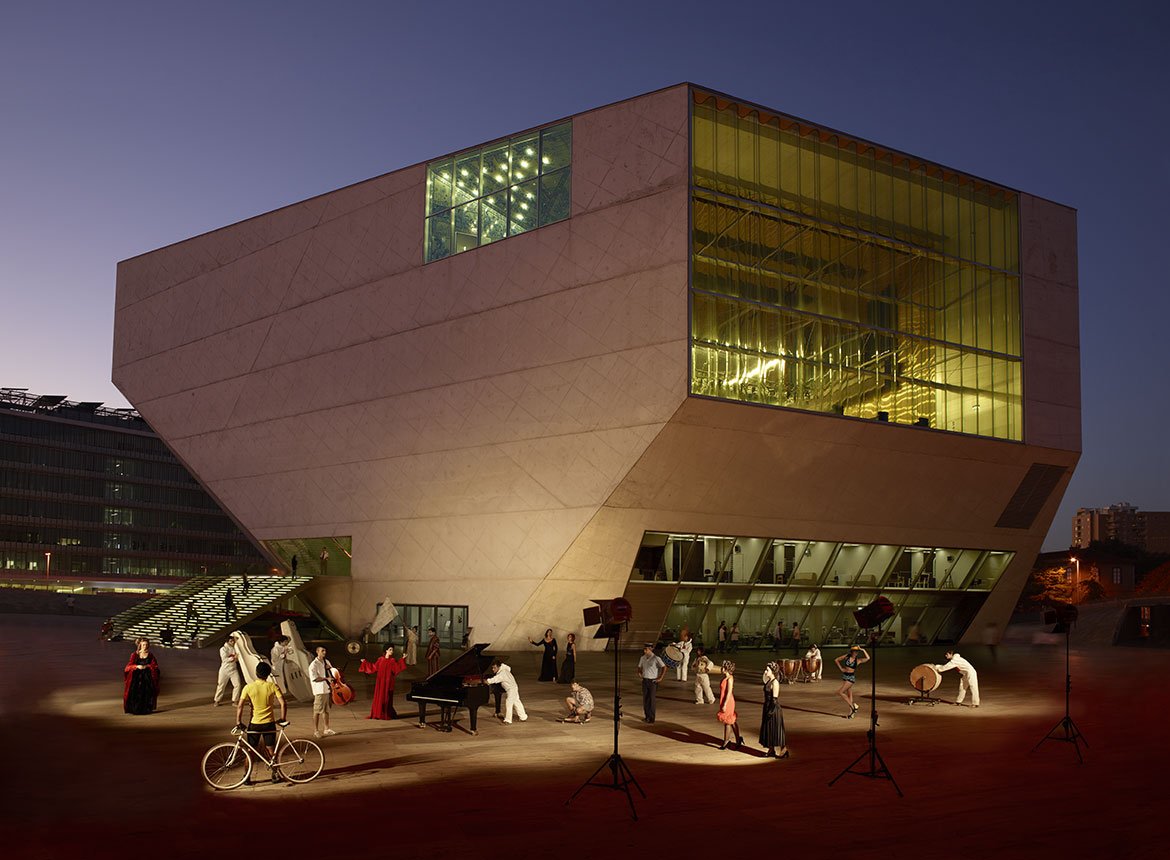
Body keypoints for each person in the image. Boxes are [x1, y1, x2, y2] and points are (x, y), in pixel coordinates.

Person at [235, 661, 287, 783]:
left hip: (255, 724)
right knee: (271, 750)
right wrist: (283, 718)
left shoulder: (248, 687)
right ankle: (275, 774)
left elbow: (240, 706)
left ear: (256, 673)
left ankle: (247, 777)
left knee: (250, 751)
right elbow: (283, 703)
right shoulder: (272, 686)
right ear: (268, 674)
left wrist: (238, 721)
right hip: (269, 723)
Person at [359, 644, 407, 719]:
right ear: (386, 650)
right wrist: (365, 662)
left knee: (387, 697)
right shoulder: (380, 659)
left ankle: (386, 713)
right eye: (390, 650)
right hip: (380, 682)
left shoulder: (392, 661)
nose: (392, 651)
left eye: (392, 650)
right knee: (380, 697)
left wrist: (402, 659)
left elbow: (397, 668)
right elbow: (374, 667)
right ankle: (378, 713)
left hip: (388, 683)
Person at [759, 662, 789, 758]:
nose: (765, 671)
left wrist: (770, 712)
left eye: (767, 670)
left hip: (773, 709)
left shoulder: (775, 683)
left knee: (776, 730)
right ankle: (771, 749)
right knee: (769, 729)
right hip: (767, 707)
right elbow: (764, 679)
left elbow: (774, 700)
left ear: (772, 671)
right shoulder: (769, 680)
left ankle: (784, 750)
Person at [309, 646, 340, 738]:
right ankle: (316, 730)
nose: (324, 652)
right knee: (317, 711)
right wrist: (326, 678)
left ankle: (326, 729)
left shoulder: (326, 661)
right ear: (317, 652)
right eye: (322, 651)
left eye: (325, 650)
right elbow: (314, 678)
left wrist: (330, 669)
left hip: (327, 689)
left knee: (326, 710)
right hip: (319, 690)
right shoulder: (313, 665)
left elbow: (332, 673)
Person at [484, 659, 528, 724]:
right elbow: (507, 667)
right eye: (492, 668)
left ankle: (508, 720)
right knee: (516, 702)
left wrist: (486, 681)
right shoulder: (505, 669)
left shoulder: (502, 674)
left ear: (499, 667)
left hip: (511, 689)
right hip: (514, 687)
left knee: (509, 703)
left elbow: (494, 679)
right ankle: (523, 717)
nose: (493, 669)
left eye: (494, 668)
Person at [123, 638, 160, 715]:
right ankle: (135, 709)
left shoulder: (150, 655)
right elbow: (128, 666)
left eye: (146, 645)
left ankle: (145, 709)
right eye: (143, 645)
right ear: (140, 645)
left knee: (146, 692)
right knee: (136, 692)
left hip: (147, 677)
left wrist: (147, 666)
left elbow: (155, 666)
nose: (145, 646)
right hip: (136, 677)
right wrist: (136, 666)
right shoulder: (135, 655)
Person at [834, 645, 870, 718]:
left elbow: (868, 658)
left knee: (840, 692)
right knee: (849, 695)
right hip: (845, 676)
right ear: (851, 652)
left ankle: (853, 707)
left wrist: (863, 650)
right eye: (854, 651)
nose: (855, 653)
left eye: (857, 652)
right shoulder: (847, 656)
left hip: (851, 678)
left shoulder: (858, 660)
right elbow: (836, 660)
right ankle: (851, 713)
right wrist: (841, 668)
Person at [717, 660, 743, 750]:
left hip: (728, 701)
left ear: (726, 669)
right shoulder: (725, 678)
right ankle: (738, 739)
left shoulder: (730, 678)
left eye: (722, 667)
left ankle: (726, 741)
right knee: (731, 721)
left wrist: (725, 703)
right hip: (724, 700)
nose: (721, 669)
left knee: (728, 721)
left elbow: (729, 692)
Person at [636, 643, 665, 724]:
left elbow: (664, 667)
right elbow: (639, 666)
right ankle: (647, 716)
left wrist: (660, 677)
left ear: (651, 649)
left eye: (646, 649)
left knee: (651, 699)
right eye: (644, 649)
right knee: (645, 699)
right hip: (645, 680)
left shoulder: (656, 658)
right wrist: (639, 672)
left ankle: (651, 718)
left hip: (653, 681)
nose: (645, 651)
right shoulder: (642, 658)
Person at [213, 635, 242, 707]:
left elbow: (237, 659)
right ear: (227, 642)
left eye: (233, 641)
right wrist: (234, 658)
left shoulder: (235, 648)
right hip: (224, 670)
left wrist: (236, 658)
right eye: (231, 641)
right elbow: (224, 659)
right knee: (221, 685)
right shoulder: (223, 649)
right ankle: (217, 700)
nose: (232, 642)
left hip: (233, 669)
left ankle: (235, 701)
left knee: (237, 685)